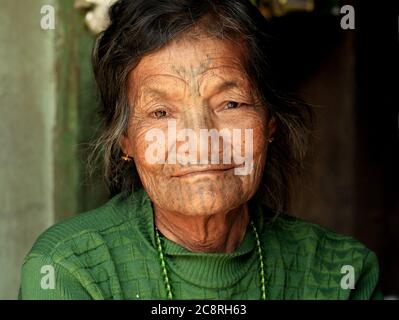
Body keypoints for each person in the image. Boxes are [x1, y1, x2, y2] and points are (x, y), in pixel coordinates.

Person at [19, 0, 382, 300]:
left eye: (231, 104)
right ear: (125, 141)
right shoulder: (69, 270)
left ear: (270, 124)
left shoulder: (340, 274)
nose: (200, 139)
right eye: (161, 113)